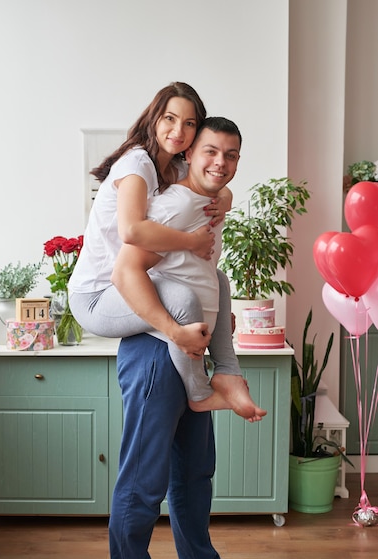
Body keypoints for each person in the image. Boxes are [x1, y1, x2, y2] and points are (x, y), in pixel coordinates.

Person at [109, 118, 260, 559]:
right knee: (144, 478)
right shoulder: (173, 204)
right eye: (212, 151)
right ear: (190, 153)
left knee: (196, 472)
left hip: (188, 352)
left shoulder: (206, 204)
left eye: (232, 154)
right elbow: (128, 268)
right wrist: (172, 330)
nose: (222, 162)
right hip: (157, 350)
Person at [69, 82, 261, 417]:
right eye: (170, 119)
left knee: (219, 278)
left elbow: (215, 181)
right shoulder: (138, 164)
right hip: (99, 293)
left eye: (189, 123)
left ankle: (228, 372)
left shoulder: (176, 166)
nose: (178, 130)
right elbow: (132, 231)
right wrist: (192, 242)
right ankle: (200, 391)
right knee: (184, 301)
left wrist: (226, 200)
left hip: (132, 279)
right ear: (154, 118)